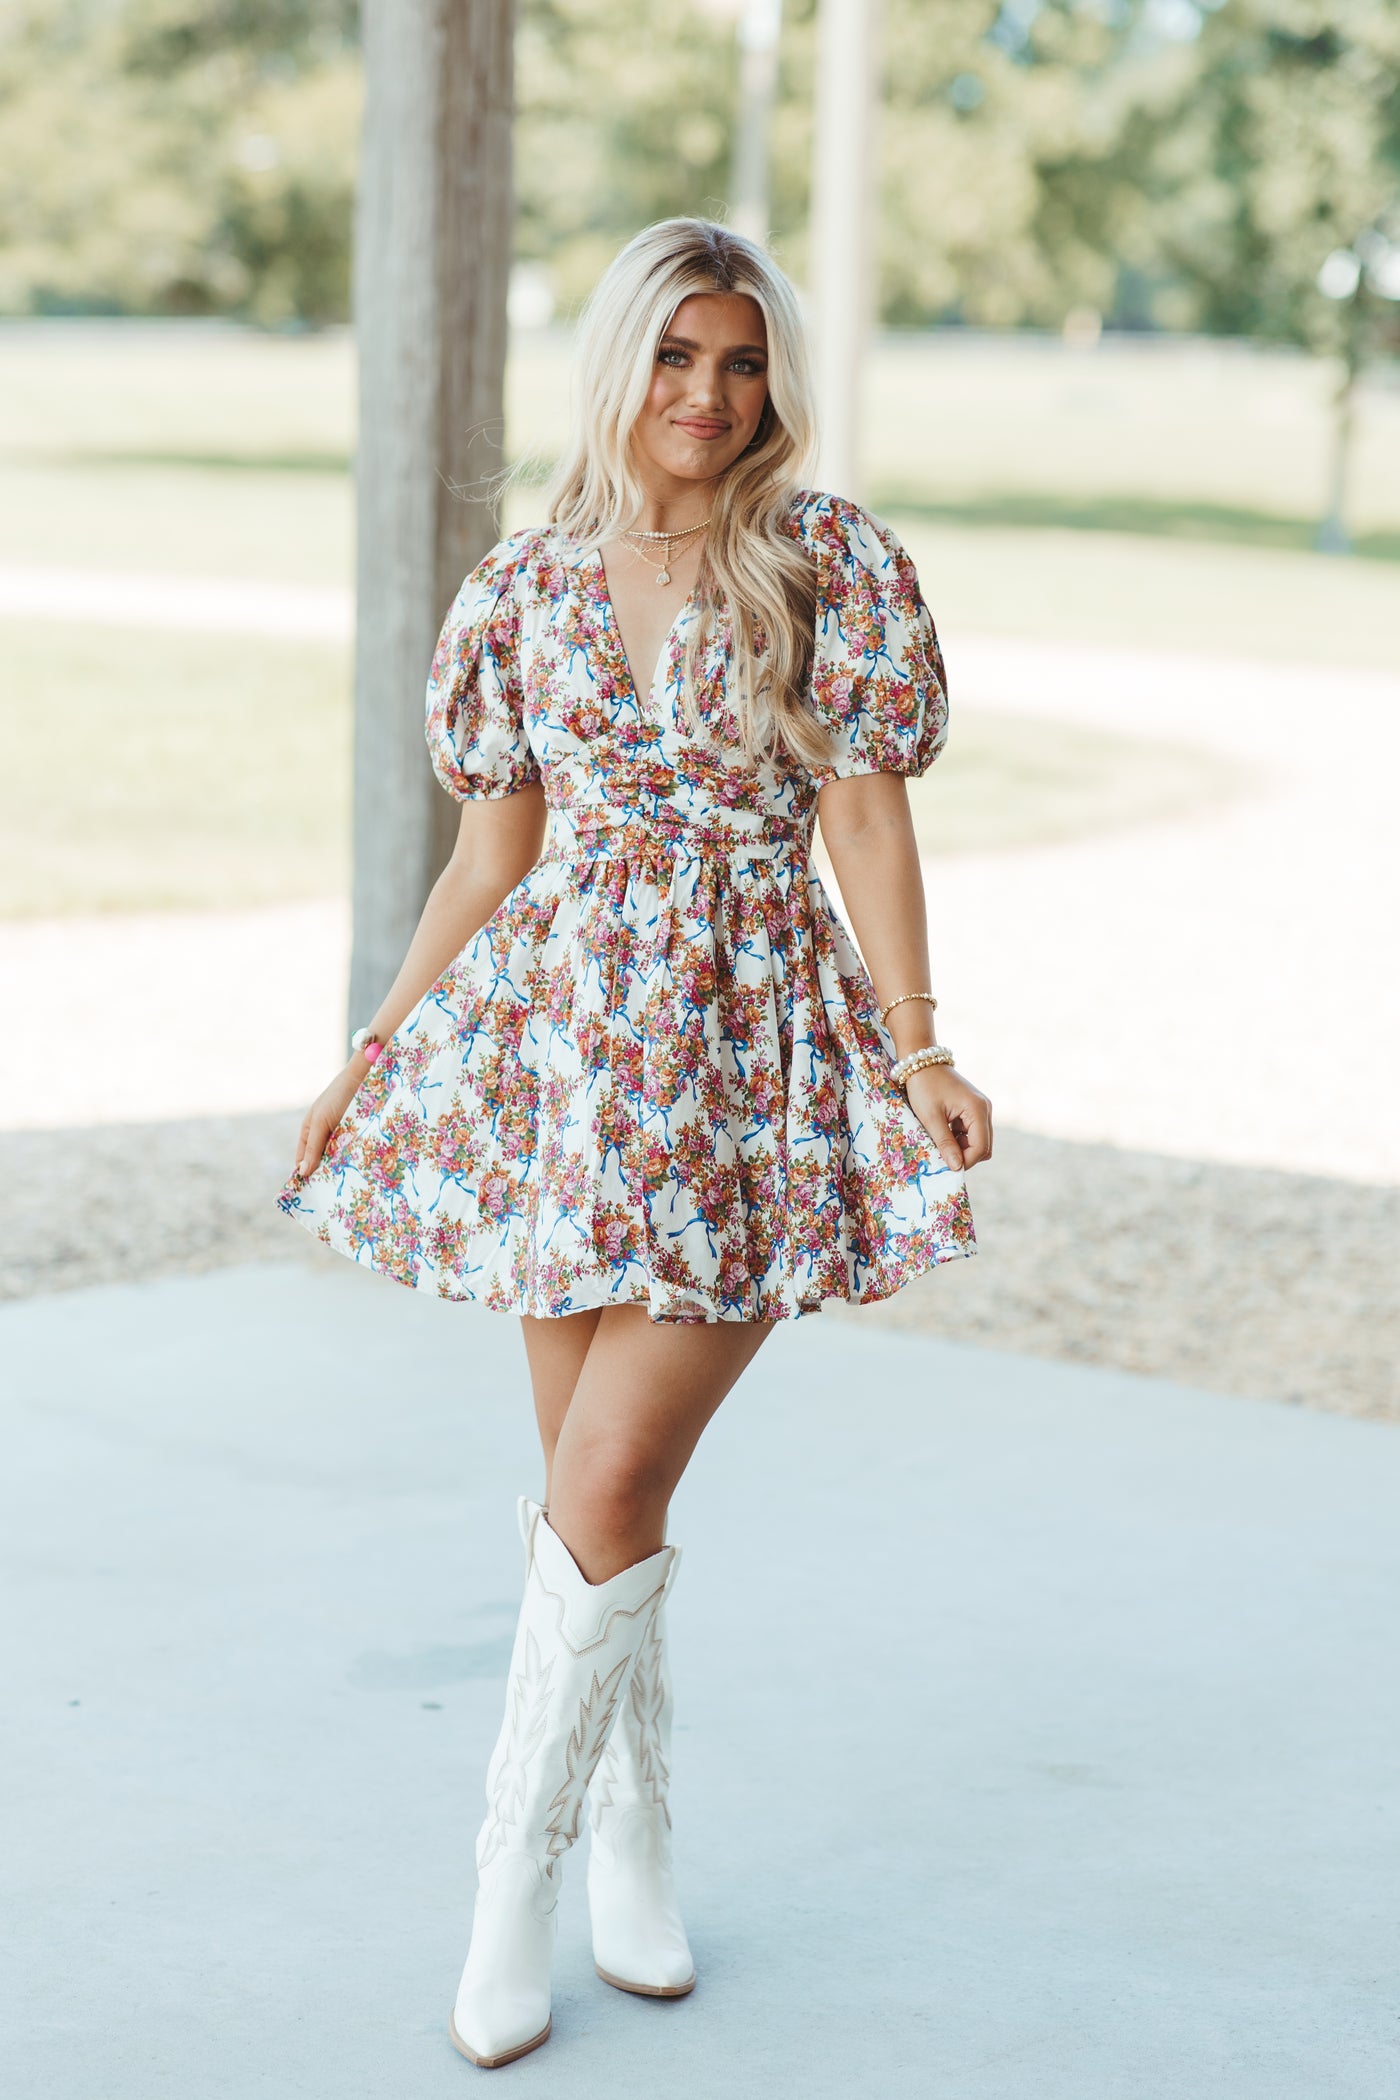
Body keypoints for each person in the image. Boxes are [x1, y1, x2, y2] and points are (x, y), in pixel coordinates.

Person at [278, 215, 991, 2069]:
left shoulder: (825, 563)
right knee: (600, 1511)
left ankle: (505, 1883)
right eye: (679, 357)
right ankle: (636, 1847)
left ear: (777, 384)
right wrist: (377, 1043)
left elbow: (869, 821)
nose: (710, 396)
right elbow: (492, 852)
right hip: (567, 1063)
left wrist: (919, 1049)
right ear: (621, 365)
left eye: (743, 363)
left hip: (748, 1056)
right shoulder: (521, 588)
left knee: (600, 1489)